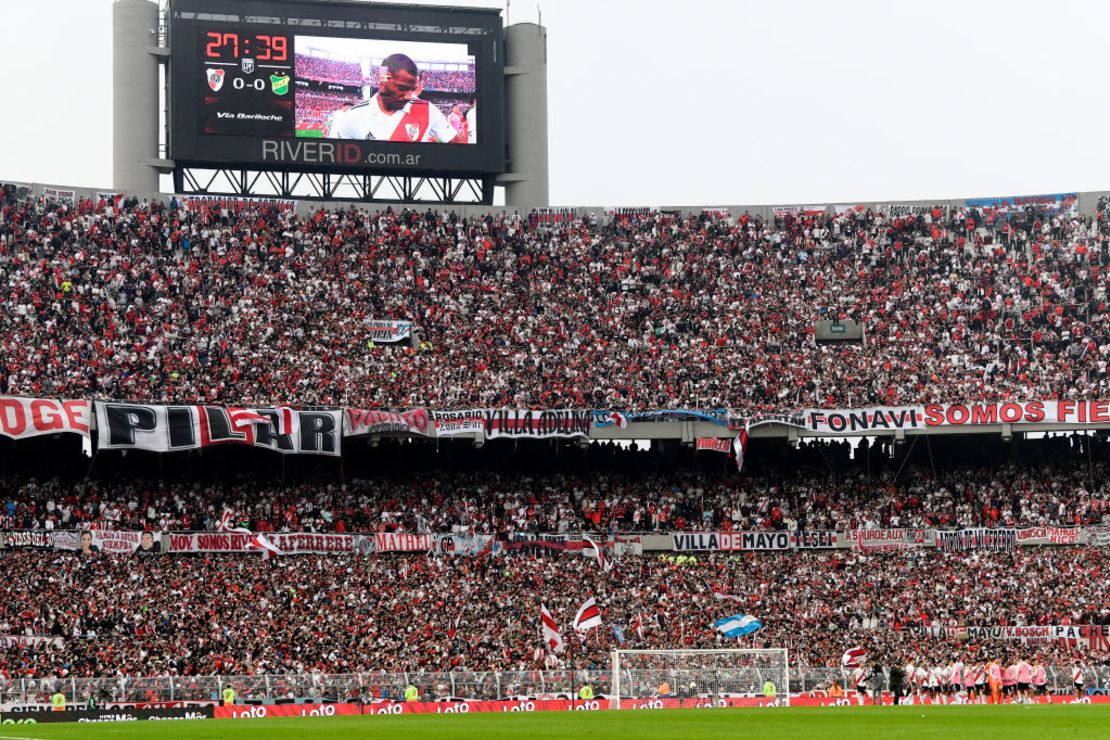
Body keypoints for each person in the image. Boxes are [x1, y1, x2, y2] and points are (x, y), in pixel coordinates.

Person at [324, 54, 465, 143]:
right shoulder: (353, 117)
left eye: (412, 89)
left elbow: (458, 145)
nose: (409, 96)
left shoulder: (427, 111)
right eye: (402, 88)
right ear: (383, 81)